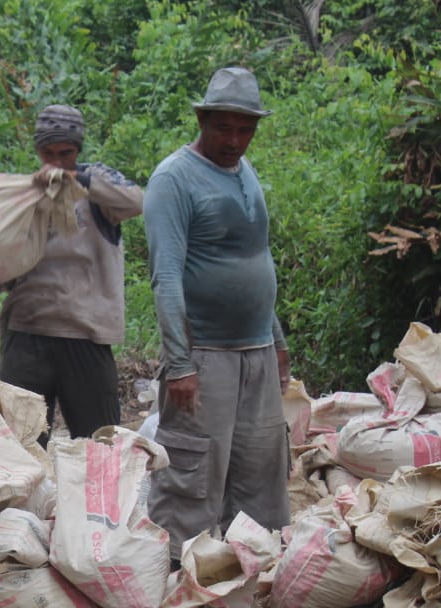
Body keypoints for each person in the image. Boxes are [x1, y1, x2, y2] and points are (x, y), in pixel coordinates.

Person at [142, 67, 292, 562]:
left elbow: (258, 260)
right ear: (202, 120)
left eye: (245, 129)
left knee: (260, 473)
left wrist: (278, 340)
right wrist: (180, 364)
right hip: (205, 358)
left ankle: (251, 578)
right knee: (193, 475)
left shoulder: (244, 173)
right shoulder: (174, 180)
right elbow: (165, 277)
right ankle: (176, 579)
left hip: (256, 352)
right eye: (223, 128)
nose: (234, 140)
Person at [0, 104, 144, 443]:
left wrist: (80, 180)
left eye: (66, 153)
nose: (56, 163)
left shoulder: (97, 189)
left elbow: (136, 201)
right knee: (19, 449)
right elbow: (7, 263)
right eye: (48, 154)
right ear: (37, 151)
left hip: (86, 336)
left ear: (78, 151)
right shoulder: (23, 196)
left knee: (99, 445)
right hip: (27, 333)